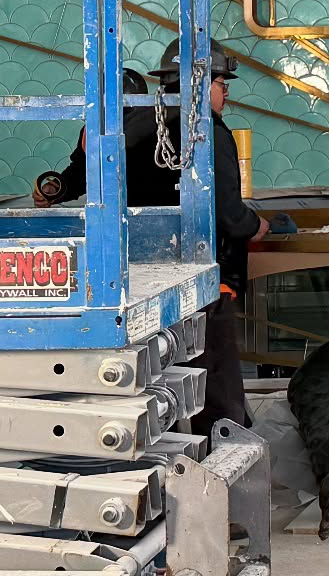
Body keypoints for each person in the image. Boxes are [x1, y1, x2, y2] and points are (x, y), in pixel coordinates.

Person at [136, 36, 269, 438]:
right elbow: (227, 211)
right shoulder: (208, 131)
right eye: (221, 84)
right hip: (207, 278)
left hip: (144, 278)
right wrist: (255, 226)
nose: (224, 93)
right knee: (215, 371)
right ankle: (226, 449)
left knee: (163, 373)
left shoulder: (137, 125)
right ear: (202, 82)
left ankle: (176, 439)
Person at [31, 68, 149, 206]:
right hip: (109, 212)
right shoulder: (91, 130)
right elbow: (82, 172)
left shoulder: (156, 130)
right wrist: (56, 190)